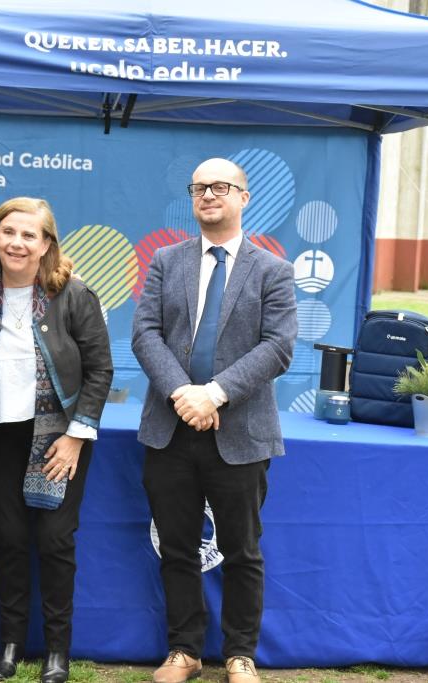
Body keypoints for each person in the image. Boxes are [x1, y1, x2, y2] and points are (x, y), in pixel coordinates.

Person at [131, 158, 297, 683]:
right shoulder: (165, 261)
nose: (208, 195)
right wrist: (184, 392)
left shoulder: (273, 270)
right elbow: (145, 334)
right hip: (170, 426)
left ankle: (240, 655)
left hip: (241, 434)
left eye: (220, 187)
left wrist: (216, 395)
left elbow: (278, 347)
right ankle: (184, 651)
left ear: (244, 197)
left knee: (242, 550)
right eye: (199, 188)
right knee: (176, 546)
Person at [0, 197, 113, 683]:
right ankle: (10, 643)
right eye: (8, 232)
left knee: (54, 541)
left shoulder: (73, 294)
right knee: (8, 539)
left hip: (60, 436)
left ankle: (57, 650)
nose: (17, 242)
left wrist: (76, 436)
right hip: (0, 436)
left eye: (30, 235)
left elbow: (100, 369)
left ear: (47, 243)